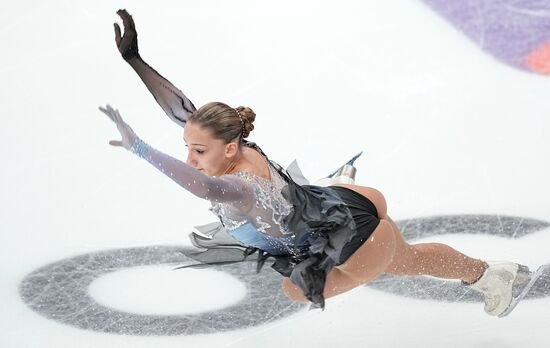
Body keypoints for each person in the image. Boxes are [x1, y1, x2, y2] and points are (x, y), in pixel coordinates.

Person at [99, 9, 531, 316]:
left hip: (353, 242)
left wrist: (141, 150)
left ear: (229, 148)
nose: (190, 159)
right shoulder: (233, 140)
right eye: (187, 147)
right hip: (343, 202)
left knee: (297, 289)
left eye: (198, 151)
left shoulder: (240, 185)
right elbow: (182, 110)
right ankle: (489, 273)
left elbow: (206, 189)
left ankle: (493, 275)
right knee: (401, 252)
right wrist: (135, 59)